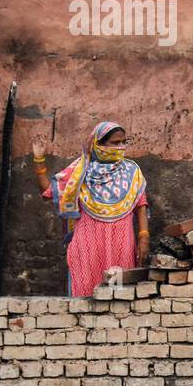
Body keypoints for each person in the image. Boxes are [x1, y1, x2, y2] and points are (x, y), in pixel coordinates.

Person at [31, 121, 149, 297]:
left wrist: (144, 236)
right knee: (86, 296)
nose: (120, 147)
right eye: (115, 143)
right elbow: (48, 191)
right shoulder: (80, 170)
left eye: (124, 142)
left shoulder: (131, 171)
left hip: (122, 243)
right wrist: (39, 160)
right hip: (88, 245)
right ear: (98, 144)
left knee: (120, 297)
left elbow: (141, 204)